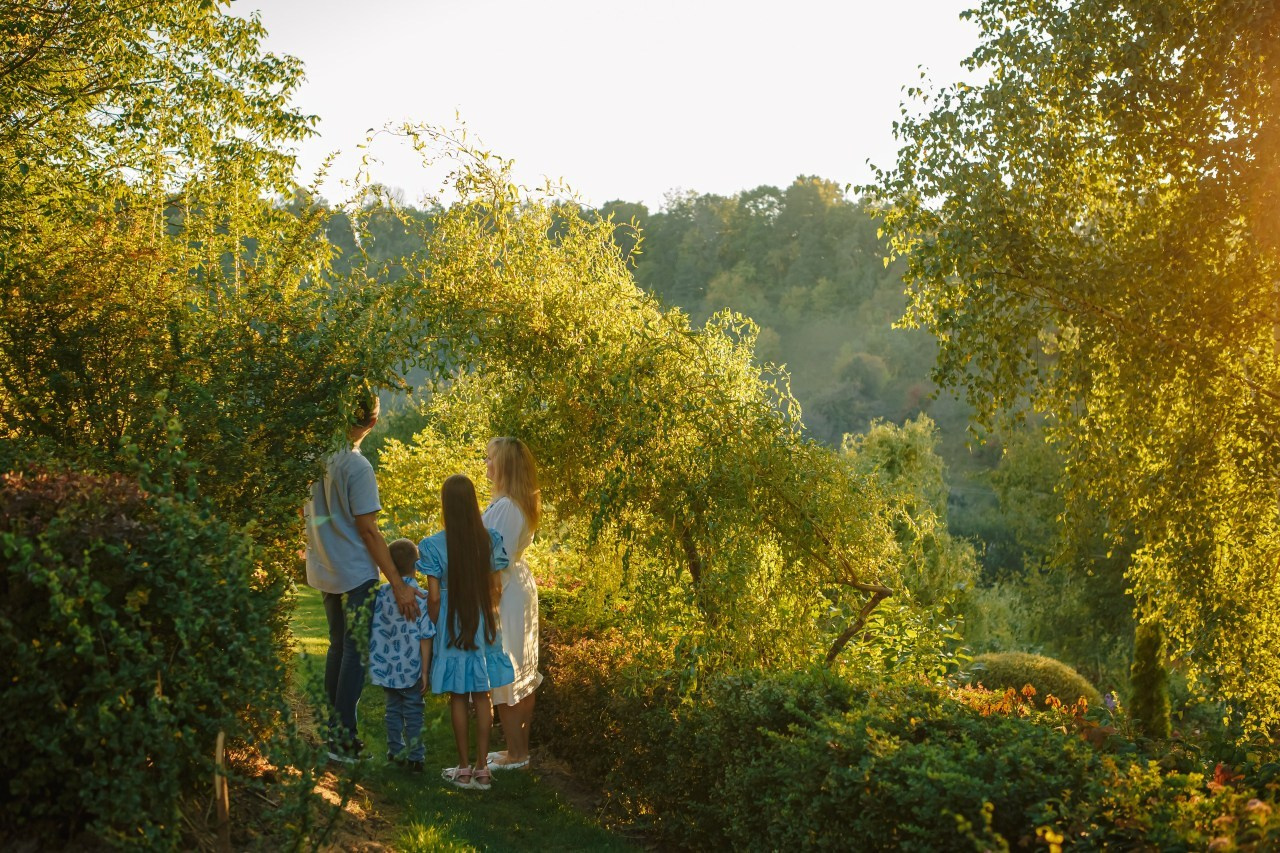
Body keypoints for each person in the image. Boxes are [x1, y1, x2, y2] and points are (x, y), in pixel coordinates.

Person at [304, 392, 422, 763]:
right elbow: (369, 531)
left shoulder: (317, 458)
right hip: (354, 572)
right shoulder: (357, 467)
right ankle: (342, 741)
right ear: (371, 423)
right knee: (353, 652)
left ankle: (336, 735)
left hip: (326, 567)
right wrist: (399, 584)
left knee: (338, 648)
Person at [419, 474, 515, 791]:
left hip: (451, 624)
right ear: (473, 503)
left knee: (458, 696)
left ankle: (462, 769)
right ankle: (482, 769)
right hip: (483, 622)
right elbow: (495, 589)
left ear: (446, 505)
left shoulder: (432, 545)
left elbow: (433, 597)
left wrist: (434, 624)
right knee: (483, 694)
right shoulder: (489, 541)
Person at [482, 437, 542, 771]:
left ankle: (518, 754)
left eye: (491, 459)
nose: (487, 465)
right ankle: (516, 751)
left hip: (505, 593)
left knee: (509, 671)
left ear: (505, 465)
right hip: (512, 588)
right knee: (517, 669)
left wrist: (490, 608)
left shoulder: (507, 507)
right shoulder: (508, 502)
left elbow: (494, 560)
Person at [370, 538, 434, 771]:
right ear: (416, 565)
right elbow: (426, 635)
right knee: (414, 712)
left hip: (387, 666)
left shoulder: (380, 596)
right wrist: (425, 671)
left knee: (393, 710)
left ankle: (395, 751)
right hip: (412, 667)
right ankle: (416, 757)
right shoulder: (420, 597)